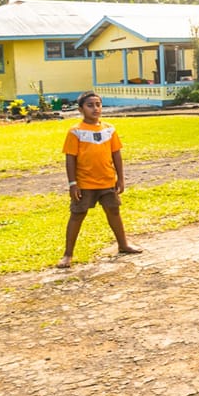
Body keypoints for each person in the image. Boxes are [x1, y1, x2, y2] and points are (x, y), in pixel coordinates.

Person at [57, 91, 141, 269]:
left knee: (114, 211)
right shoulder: (75, 131)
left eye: (98, 104)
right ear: (81, 109)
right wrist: (73, 183)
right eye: (90, 105)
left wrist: (120, 178)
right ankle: (67, 254)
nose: (95, 108)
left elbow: (116, 153)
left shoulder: (109, 129)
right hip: (85, 183)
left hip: (107, 181)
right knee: (77, 215)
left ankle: (123, 244)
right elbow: (70, 158)